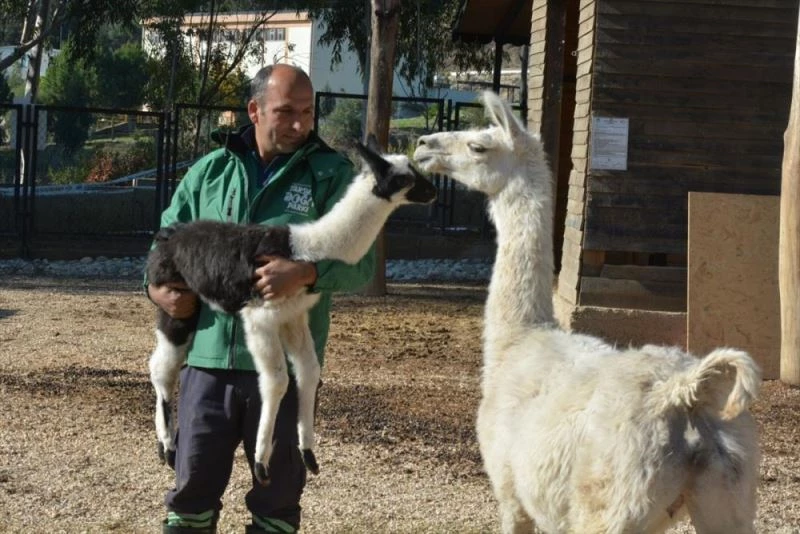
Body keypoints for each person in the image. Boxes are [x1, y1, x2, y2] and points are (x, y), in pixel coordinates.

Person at [146, 63, 376, 534]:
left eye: (308, 112)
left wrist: (308, 272)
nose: (299, 124)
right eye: (285, 111)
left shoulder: (330, 176)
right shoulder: (208, 172)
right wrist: (158, 291)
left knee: (276, 504)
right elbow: (161, 245)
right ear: (254, 110)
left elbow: (365, 264)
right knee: (190, 496)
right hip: (206, 364)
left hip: (282, 373)